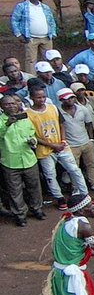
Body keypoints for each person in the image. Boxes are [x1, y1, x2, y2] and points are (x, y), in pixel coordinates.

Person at [28, 86, 88, 209]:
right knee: (50, 175)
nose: (42, 99)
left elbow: (62, 125)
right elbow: (32, 135)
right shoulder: (28, 114)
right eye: (38, 97)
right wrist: (52, 145)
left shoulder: (53, 108)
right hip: (45, 149)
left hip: (61, 146)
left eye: (43, 97)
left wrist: (62, 141)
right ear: (31, 98)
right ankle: (59, 198)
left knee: (75, 170)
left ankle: (84, 194)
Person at [1, 94, 44, 226]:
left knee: (34, 187)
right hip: (10, 161)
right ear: (2, 107)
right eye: (7, 104)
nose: (11, 106)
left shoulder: (24, 118)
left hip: (28, 159)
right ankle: (20, 215)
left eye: (13, 103)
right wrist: (7, 124)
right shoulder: (1, 121)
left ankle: (37, 209)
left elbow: (32, 133)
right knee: (15, 191)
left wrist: (33, 140)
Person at [11, 0, 57, 70]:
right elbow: (14, 20)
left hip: (46, 37)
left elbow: (51, 21)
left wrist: (53, 33)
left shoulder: (45, 7)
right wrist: (18, 34)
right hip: (31, 38)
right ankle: (31, 76)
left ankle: (47, 75)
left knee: (48, 59)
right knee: (31, 60)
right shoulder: (22, 6)